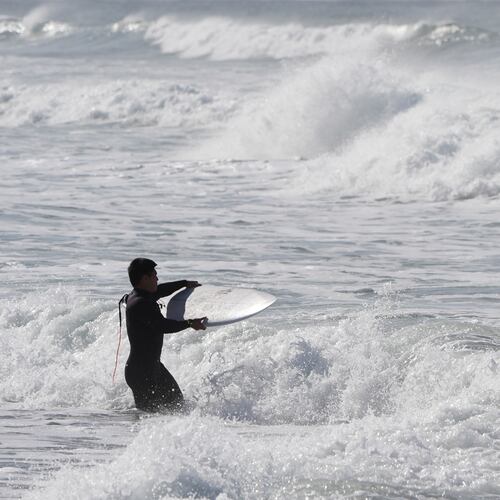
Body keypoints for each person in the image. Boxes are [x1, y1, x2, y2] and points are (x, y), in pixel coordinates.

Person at [123, 258, 207, 412]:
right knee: (148, 416)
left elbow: (161, 290)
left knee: (177, 404)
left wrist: (183, 283)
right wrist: (189, 323)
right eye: (154, 275)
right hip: (141, 372)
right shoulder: (140, 303)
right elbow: (163, 325)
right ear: (144, 278)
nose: (157, 278)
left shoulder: (142, 295)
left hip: (152, 367)